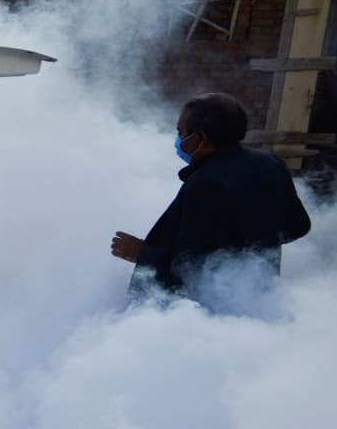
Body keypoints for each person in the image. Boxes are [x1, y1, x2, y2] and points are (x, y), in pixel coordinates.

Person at [111, 92, 311, 303]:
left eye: (181, 133)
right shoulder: (271, 163)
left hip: (211, 309)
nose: (179, 141)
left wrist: (142, 254)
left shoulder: (205, 185)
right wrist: (256, 246)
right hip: (259, 297)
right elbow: (299, 226)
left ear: (202, 138)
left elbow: (193, 268)